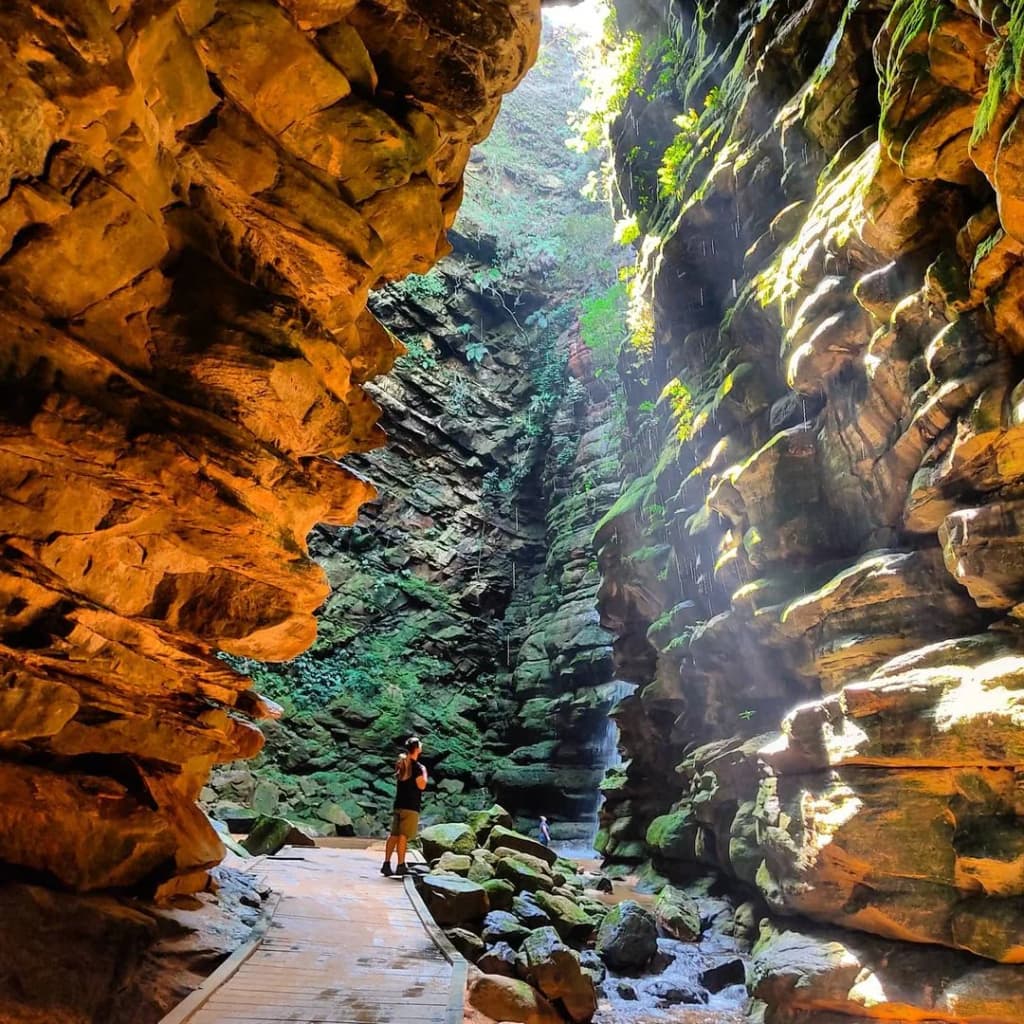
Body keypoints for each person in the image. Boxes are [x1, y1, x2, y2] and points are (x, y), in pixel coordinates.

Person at [381, 736, 427, 877]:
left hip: (399, 804)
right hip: (410, 806)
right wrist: (425, 772)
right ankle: (401, 865)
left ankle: (386, 864)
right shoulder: (417, 767)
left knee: (394, 835)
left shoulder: (402, 763)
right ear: (417, 749)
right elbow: (422, 785)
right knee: (403, 836)